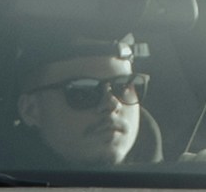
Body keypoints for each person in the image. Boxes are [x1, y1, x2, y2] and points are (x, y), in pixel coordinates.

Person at [12, 31, 155, 171]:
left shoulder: (165, 180)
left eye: (123, 86)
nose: (112, 104)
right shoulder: (7, 183)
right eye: (83, 91)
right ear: (31, 110)